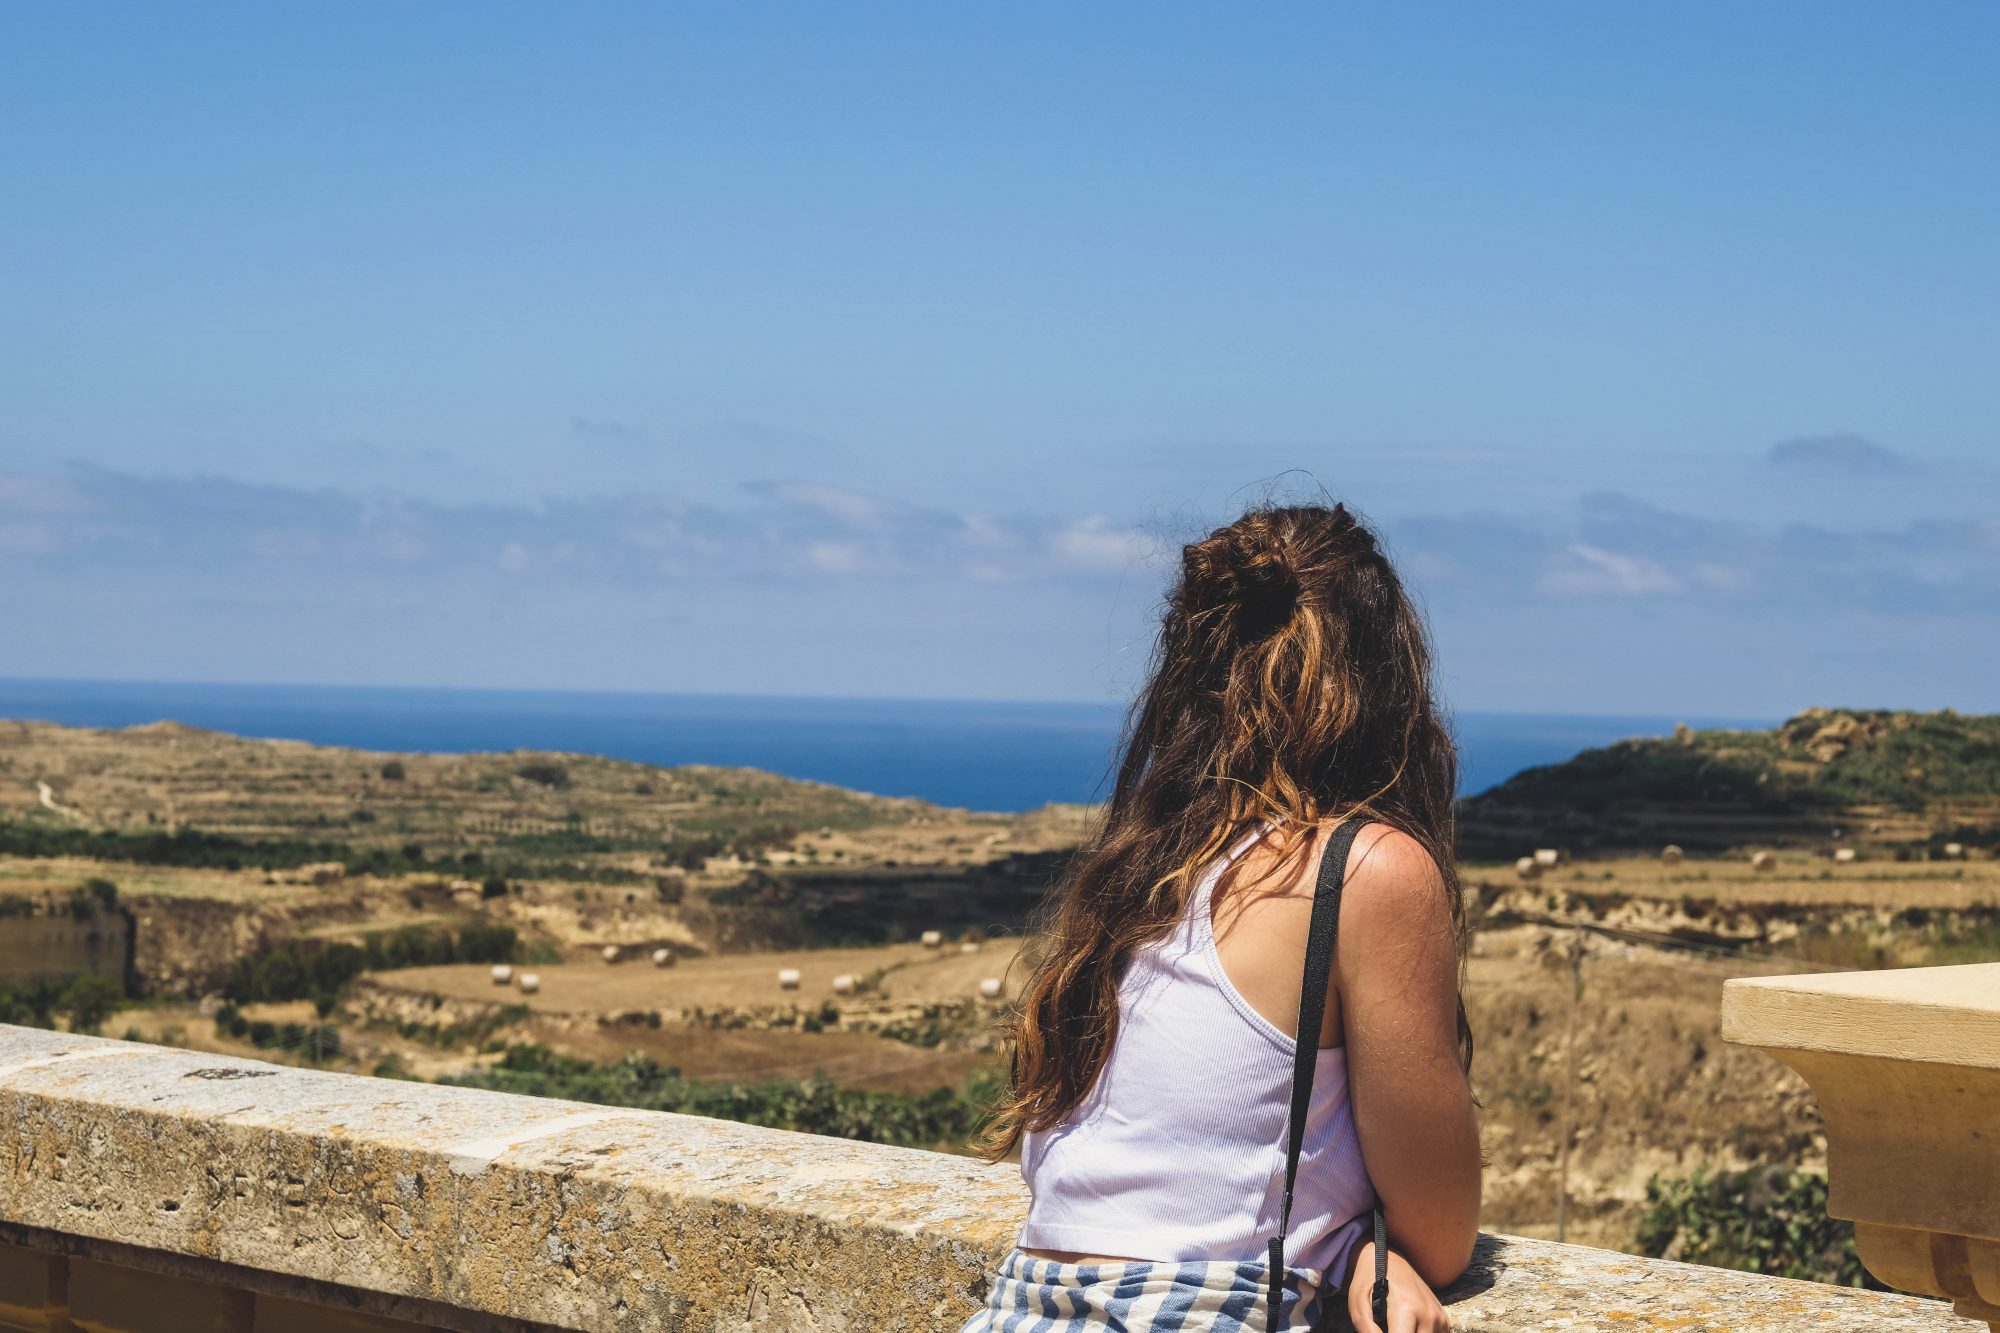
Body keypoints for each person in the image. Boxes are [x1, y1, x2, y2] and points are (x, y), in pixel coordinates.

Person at [964, 502, 1481, 1332]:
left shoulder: (1143, 871)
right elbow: (1444, 1230)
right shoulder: (1363, 868)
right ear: (1386, 675)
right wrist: (1358, 1244)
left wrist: (1338, 1241)